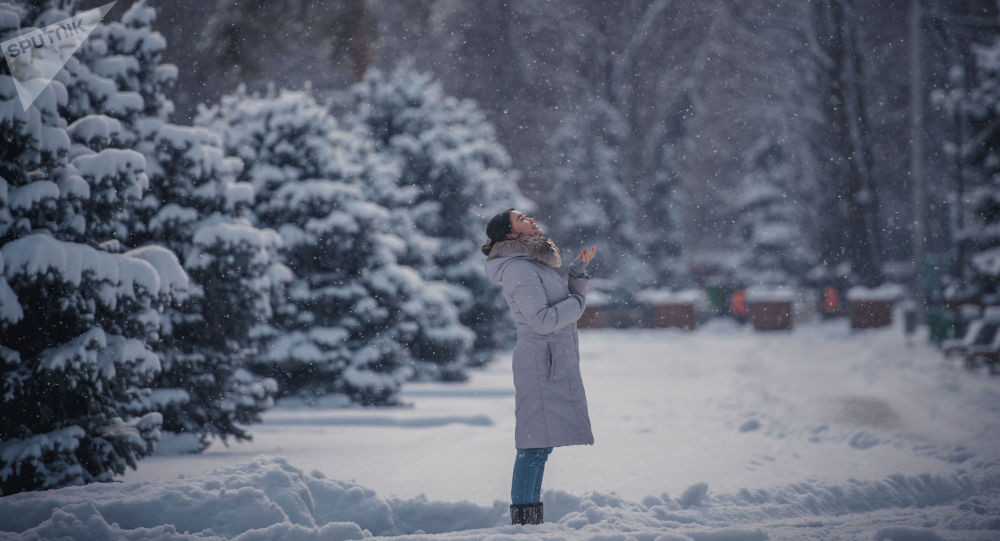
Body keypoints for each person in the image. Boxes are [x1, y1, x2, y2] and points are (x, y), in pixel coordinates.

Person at [481, 208, 597, 526]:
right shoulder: (519, 269)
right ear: (510, 235)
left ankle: (530, 521)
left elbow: (556, 303)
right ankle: (524, 523)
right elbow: (543, 320)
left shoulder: (533, 264)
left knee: (540, 446)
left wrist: (576, 272)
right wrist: (579, 304)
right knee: (533, 446)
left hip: (549, 359)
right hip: (538, 361)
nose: (530, 219)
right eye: (521, 219)